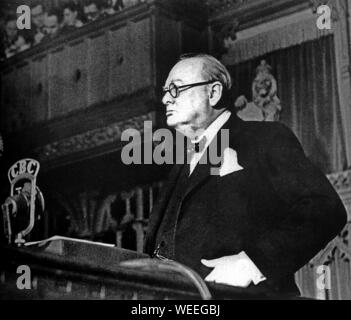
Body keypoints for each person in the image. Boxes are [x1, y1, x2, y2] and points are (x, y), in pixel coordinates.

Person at [144, 53, 347, 296]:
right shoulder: (180, 164)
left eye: (175, 89)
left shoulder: (265, 138)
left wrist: (252, 263)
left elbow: (325, 208)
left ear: (213, 93)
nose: (166, 99)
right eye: (165, 91)